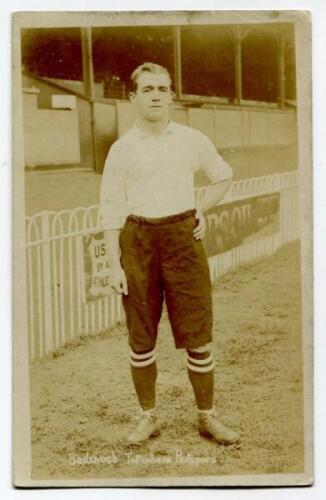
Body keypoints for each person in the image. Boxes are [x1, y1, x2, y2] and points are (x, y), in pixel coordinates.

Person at [100, 62, 240, 446]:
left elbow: (223, 175)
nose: (157, 95)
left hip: (182, 239)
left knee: (197, 334)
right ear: (133, 97)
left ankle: (207, 416)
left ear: (172, 95)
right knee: (141, 336)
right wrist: (114, 264)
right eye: (147, 89)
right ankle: (148, 417)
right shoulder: (121, 149)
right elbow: (110, 209)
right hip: (138, 241)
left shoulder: (192, 139)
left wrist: (202, 210)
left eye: (163, 88)